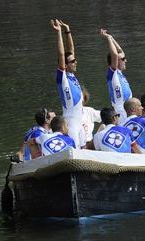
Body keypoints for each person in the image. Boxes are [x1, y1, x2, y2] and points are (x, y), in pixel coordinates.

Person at [50, 19, 85, 148]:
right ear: (65, 64)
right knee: (75, 151)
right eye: (73, 61)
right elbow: (61, 54)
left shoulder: (71, 74)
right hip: (70, 123)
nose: (76, 62)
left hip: (79, 122)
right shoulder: (63, 77)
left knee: (83, 149)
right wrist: (59, 32)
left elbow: (71, 50)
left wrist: (67, 30)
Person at [100, 29, 132, 123]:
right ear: (116, 61)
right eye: (123, 59)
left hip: (129, 108)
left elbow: (120, 52)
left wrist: (112, 37)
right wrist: (108, 38)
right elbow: (114, 55)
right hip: (121, 110)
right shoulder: (112, 73)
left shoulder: (119, 73)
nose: (125, 60)